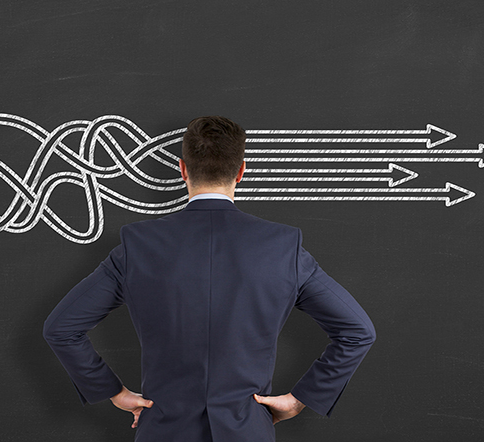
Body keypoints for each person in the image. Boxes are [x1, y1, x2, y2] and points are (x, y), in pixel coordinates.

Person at [43, 116, 376, 442]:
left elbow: (61, 328)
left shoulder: (138, 245)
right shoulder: (282, 247)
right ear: (241, 171)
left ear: (183, 169)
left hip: (163, 429)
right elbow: (357, 332)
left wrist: (114, 391)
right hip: (248, 430)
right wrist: (298, 400)